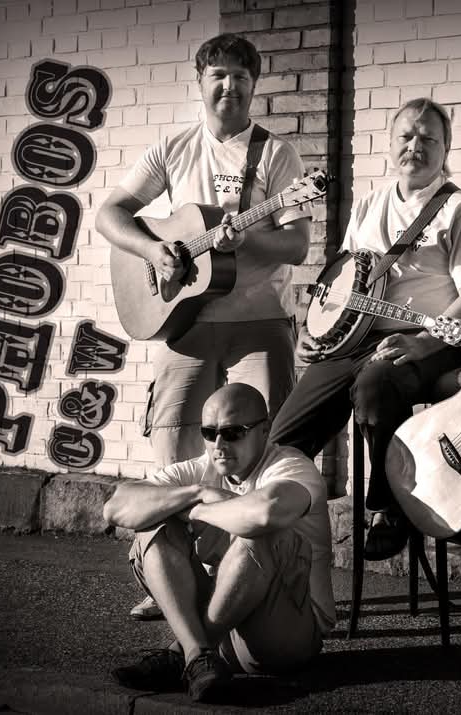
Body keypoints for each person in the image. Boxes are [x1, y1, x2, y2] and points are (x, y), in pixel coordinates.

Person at [96, 33, 311, 620]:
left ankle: (255, 578)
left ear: (254, 86)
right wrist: (154, 250)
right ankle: (169, 575)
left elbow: (297, 244)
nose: (229, 86)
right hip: (184, 324)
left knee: (262, 449)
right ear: (200, 81)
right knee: (174, 444)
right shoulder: (173, 147)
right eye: (218, 74)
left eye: (240, 76)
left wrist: (247, 240)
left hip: (260, 323)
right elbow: (110, 214)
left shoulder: (277, 155)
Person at [268, 97, 461, 561]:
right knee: (284, 437)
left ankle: (389, 505)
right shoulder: (370, 205)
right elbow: (340, 282)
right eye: (406, 136)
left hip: (431, 344)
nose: (416, 146)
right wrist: (317, 331)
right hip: (356, 341)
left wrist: (424, 343)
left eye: (428, 138)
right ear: (390, 144)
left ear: (446, 148)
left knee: (375, 384)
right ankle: (281, 534)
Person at [103, 383, 334, 703]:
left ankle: (182, 654)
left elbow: (266, 512)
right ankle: (198, 655)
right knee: (155, 526)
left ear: (264, 430)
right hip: (221, 632)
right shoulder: (199, 471)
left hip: (281, 636)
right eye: (209, 433)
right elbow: (116, 507)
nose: (219, 444)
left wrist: (197, 511)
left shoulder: (290, 465)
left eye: (233, 432)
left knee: (261, 534)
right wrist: (196, 493)